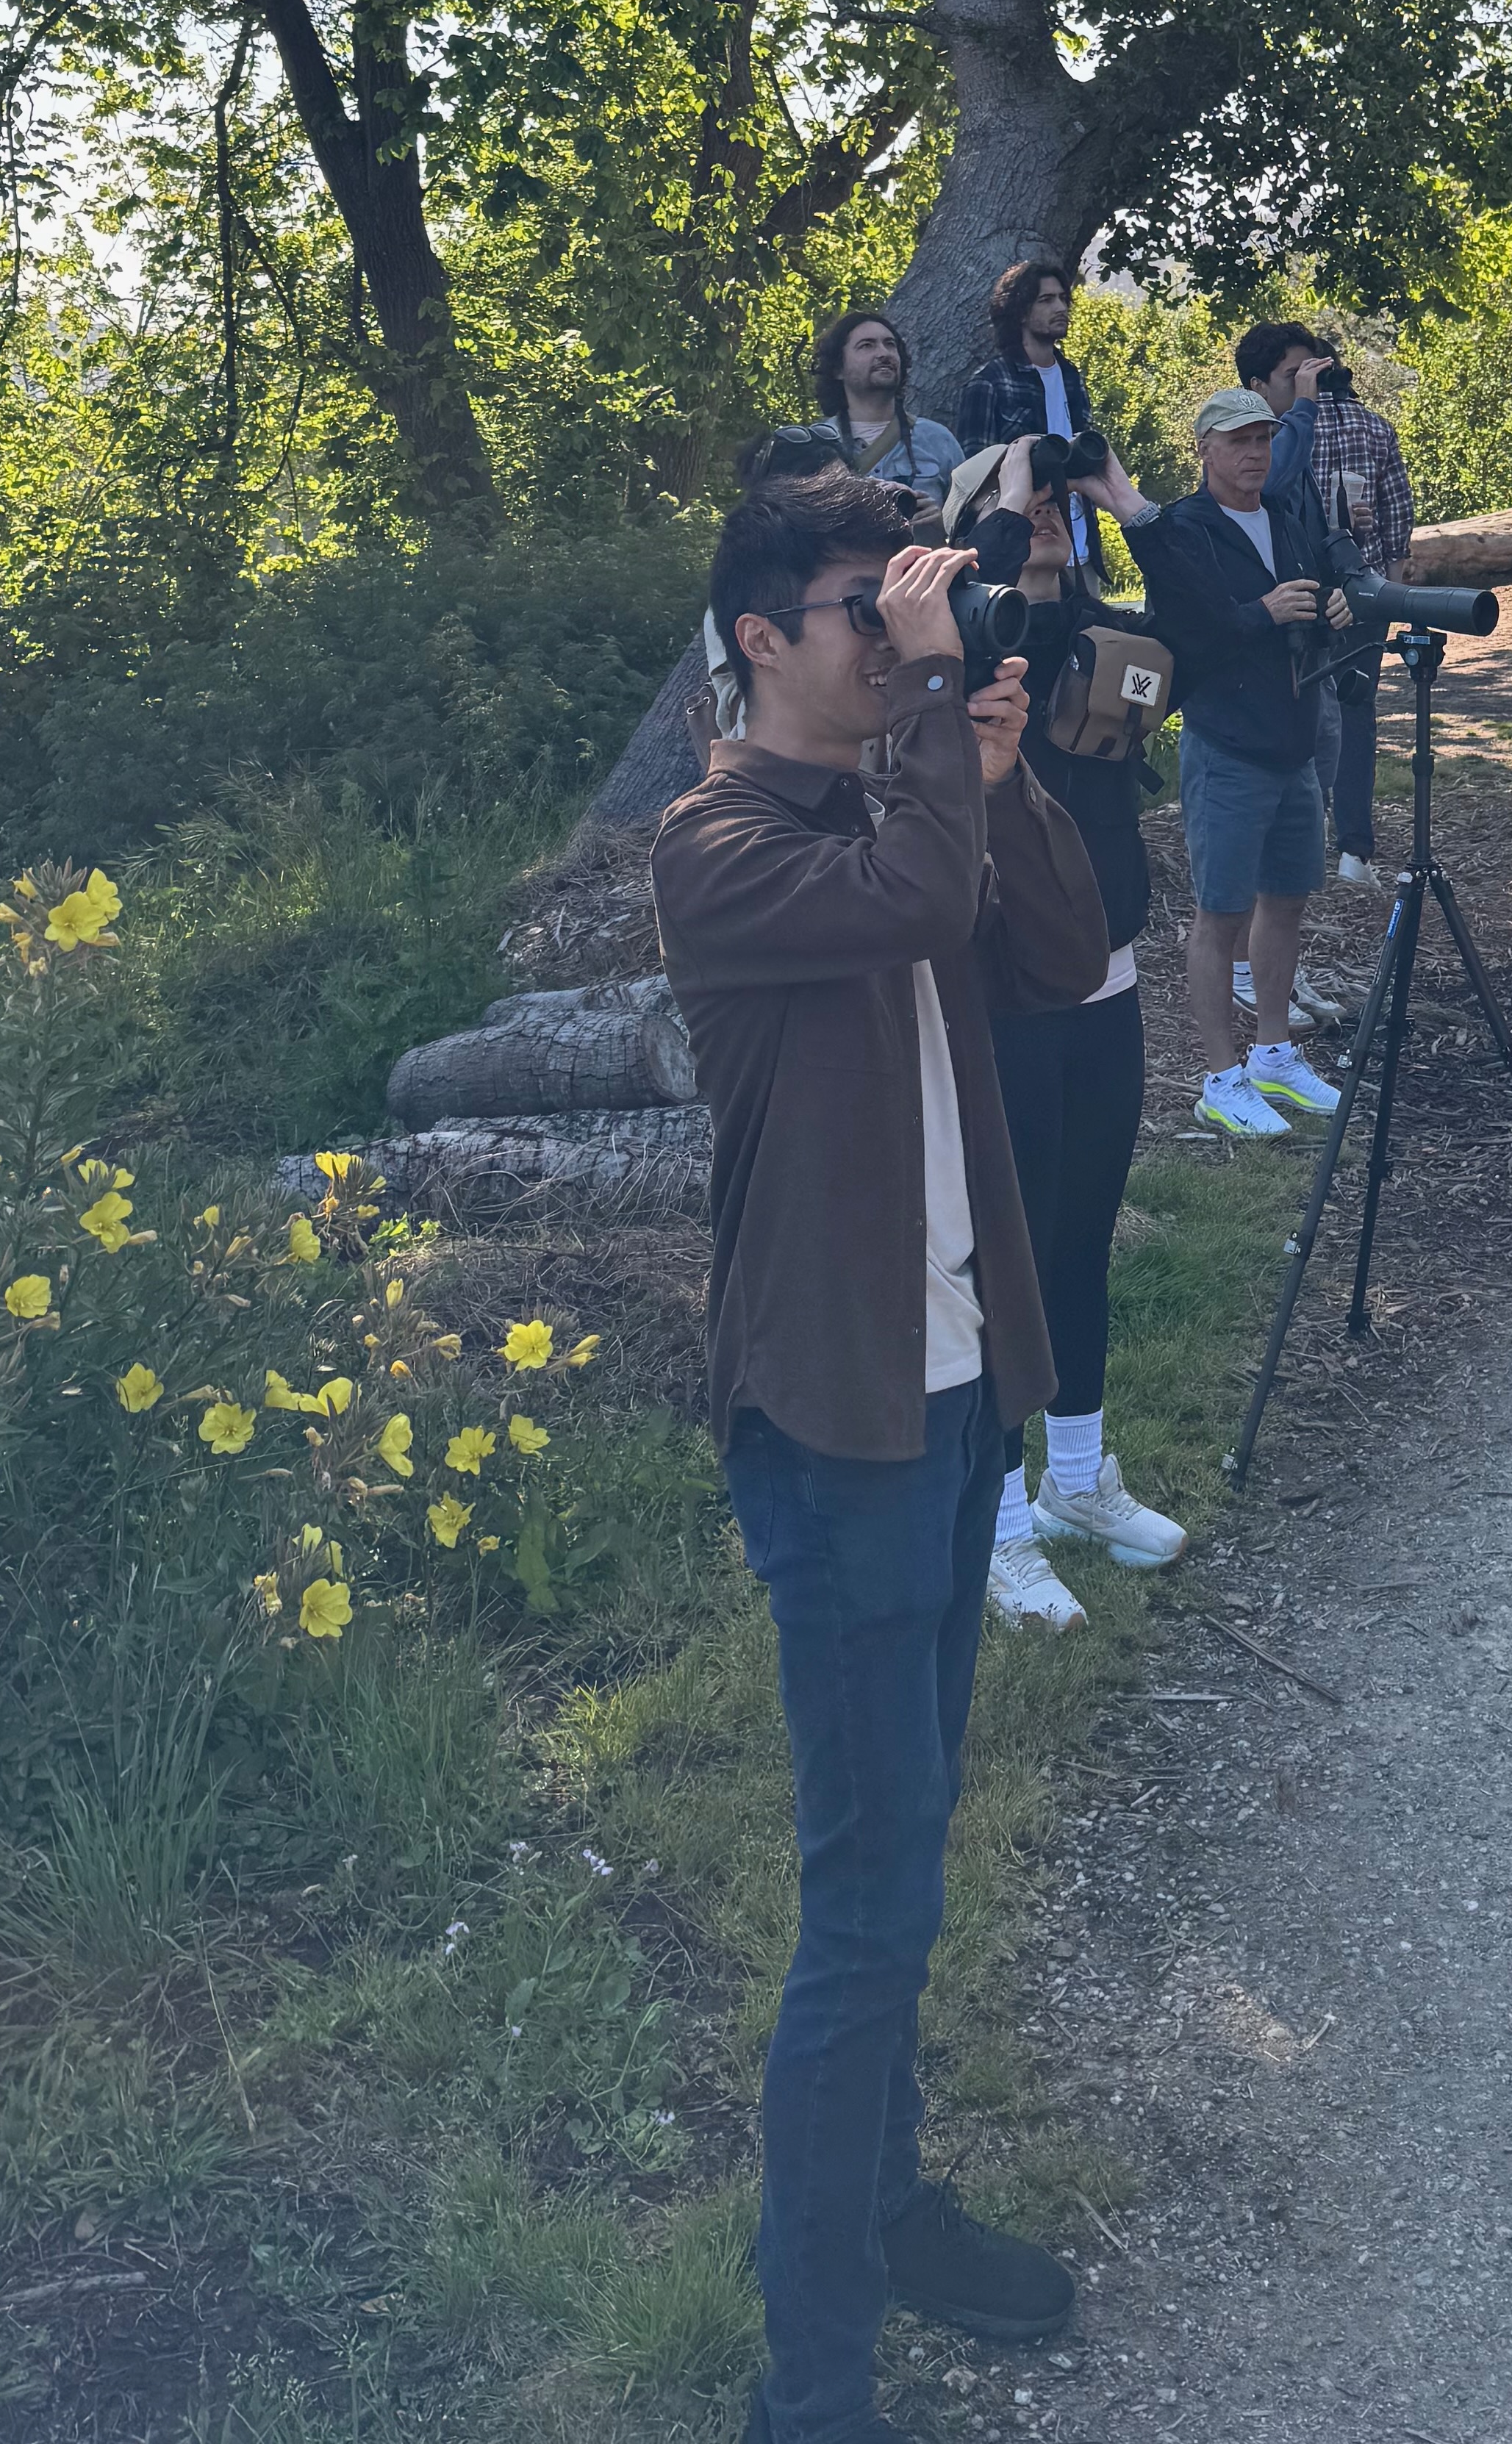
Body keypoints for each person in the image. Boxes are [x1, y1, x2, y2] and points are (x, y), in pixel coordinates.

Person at [651, 461, 1111, 2440]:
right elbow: (906, 906)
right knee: (867, 1902)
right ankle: (808, 2377)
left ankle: (895, 2206)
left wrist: (997, 766)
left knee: (909, 1856)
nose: (903, 631)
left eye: (909, 601)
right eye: (871, 607)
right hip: (833, 1414)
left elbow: (1062, 958)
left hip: (945, 1392)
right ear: (765, 642)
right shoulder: (719, 836)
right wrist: (938, 749)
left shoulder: (897, 797)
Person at [937, 441, 1188, 1633]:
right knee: (1005, 1257)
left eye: (1049, 495)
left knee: (1080, 1234)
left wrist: (1116, 497)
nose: (1035, 507)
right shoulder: (944, 657)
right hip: (1004, 999)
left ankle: (1077, 1479)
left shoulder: (1108, 630)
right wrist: (990, 538)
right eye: (1012, 494)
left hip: (1109, 984)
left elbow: (1211, 626)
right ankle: (988, 1525)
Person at [1128, 384, 1349, 1139]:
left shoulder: (1286, 517)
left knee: (1286, 901)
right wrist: (1263, 612)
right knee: (1219, 914)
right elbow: (1189, 633)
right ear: (1205, 450)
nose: (1255, 454)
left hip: (1294, 741)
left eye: (1263, 440)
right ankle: (1220, 1077)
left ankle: (1273, 1052)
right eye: (1238, 441)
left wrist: (1335, 609)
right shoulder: (1185, 529)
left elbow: (1317, 598)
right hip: (1226, 745)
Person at [1234, 320, 1416, 887]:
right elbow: (1398, 516)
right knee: (1347, 716)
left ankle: (1311, 843)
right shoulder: (1270, 438)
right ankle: (1351, 849)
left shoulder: (1272, 433)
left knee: (1330, 717)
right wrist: (1387, 584)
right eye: (1295, 374)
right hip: (1327, 593)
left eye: (1305, 372)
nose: (1303, 383)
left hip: (1333, 588)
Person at [957, 259, 1101, 567]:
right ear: (1020, 311)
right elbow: (977, 482)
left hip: (1078, 544)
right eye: (1046, 300)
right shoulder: (989, 383)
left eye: (1063, 298)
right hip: (1022, 550)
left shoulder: (1071, 376)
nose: (1060, 307)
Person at [812, 306, 965, 504]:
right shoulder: (815, 446)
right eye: (867, 346)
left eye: (890, 345)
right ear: (837, 369)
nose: (884, 353)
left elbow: (969, 526)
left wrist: (938, 527)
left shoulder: (938, 440)